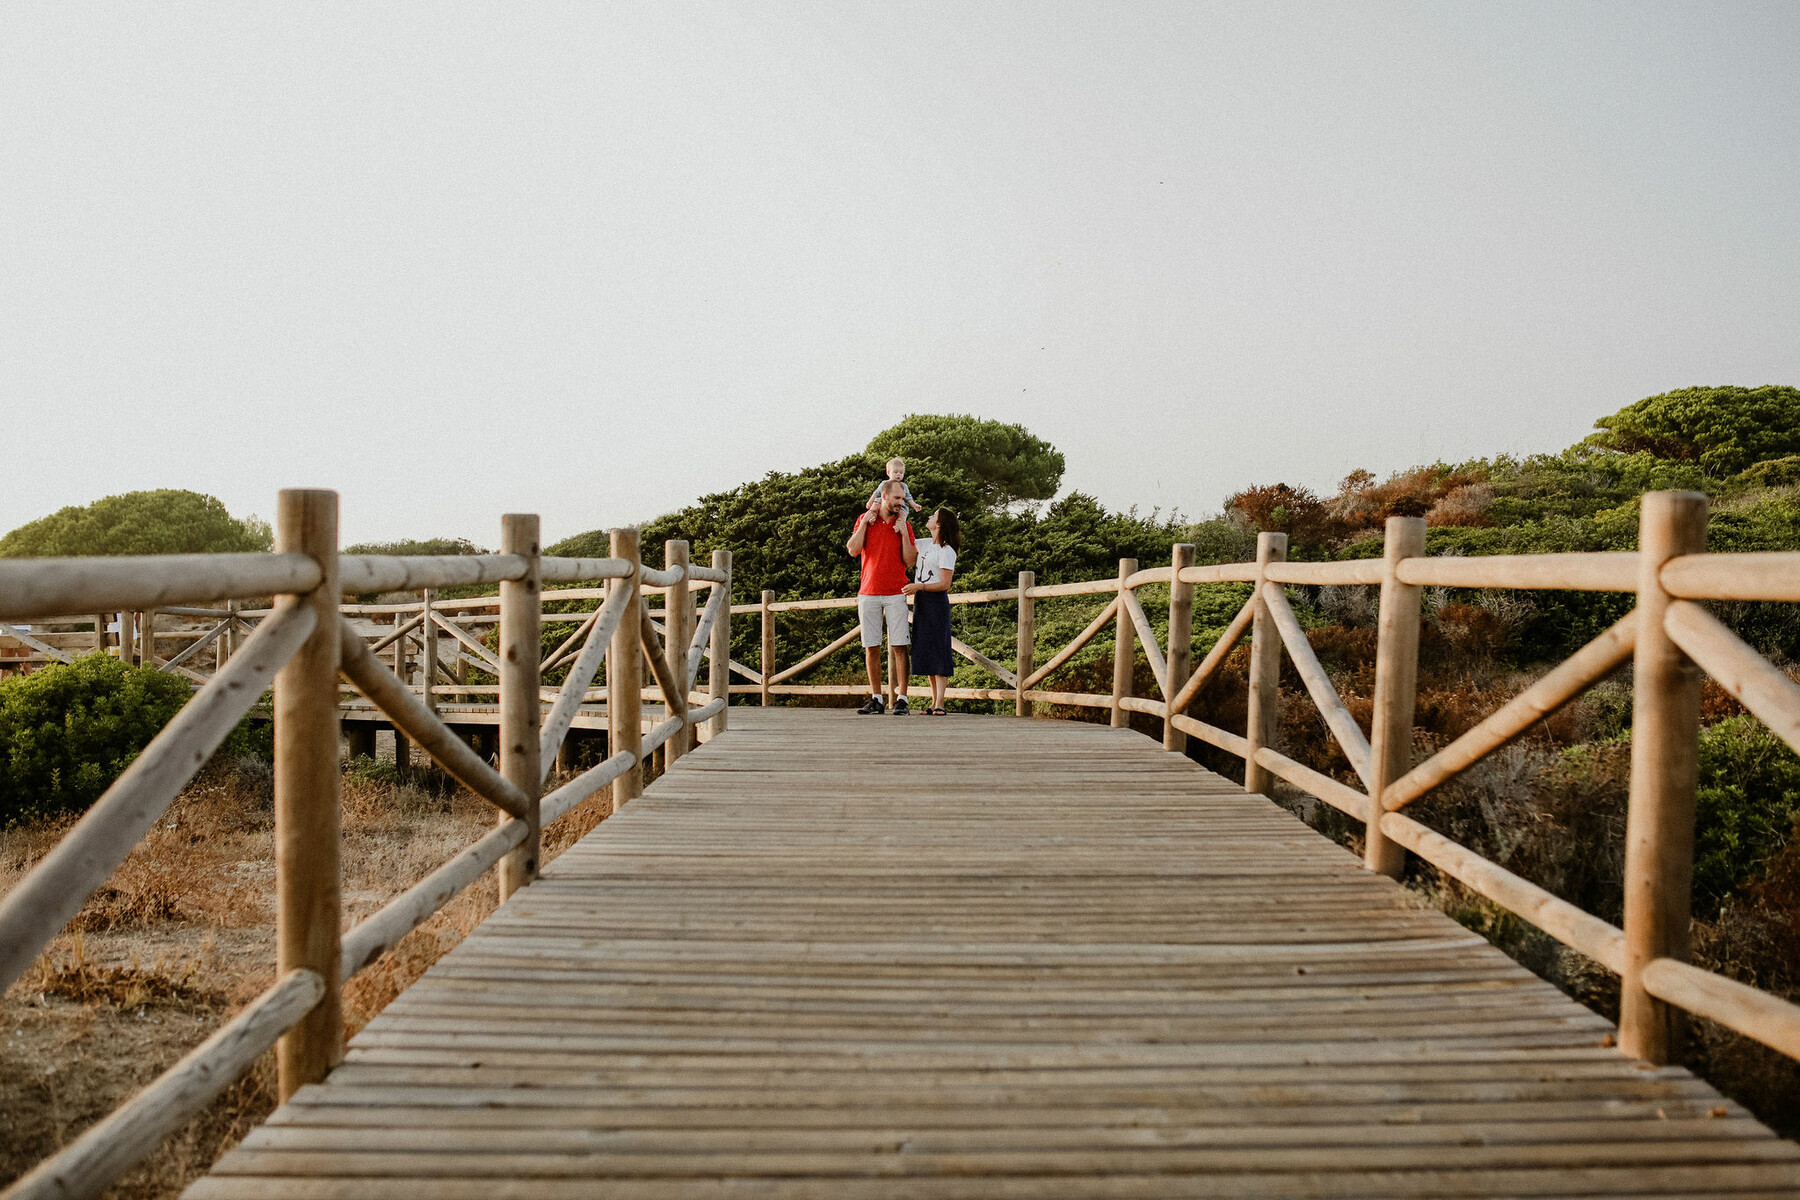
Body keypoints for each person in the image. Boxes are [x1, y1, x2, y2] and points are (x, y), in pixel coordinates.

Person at [845, 479, 918, 715]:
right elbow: (853, 549)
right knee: (871, 646)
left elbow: (910, 561)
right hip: (868, 592)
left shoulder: (904, 525)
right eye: (896, 498)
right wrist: (865, 522)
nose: (900, 502)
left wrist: (904, 532)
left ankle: (902, 699)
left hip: (896, 592)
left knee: (899, 646)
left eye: (902, 498)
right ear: (883, 497)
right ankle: (876, 698)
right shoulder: (866, 519)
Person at [901, 507, 960, 715]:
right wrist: (902, 523)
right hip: (922, 602)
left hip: (936, 602)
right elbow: (907, 547)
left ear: (939, 524)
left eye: (933, 516)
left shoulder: (947, 550)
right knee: (926, 648)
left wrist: (919, 586)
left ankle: (941, 703)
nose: (929, 517)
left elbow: (945, 584)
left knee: (939, 648)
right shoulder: (925, 544)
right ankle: (933, 700)